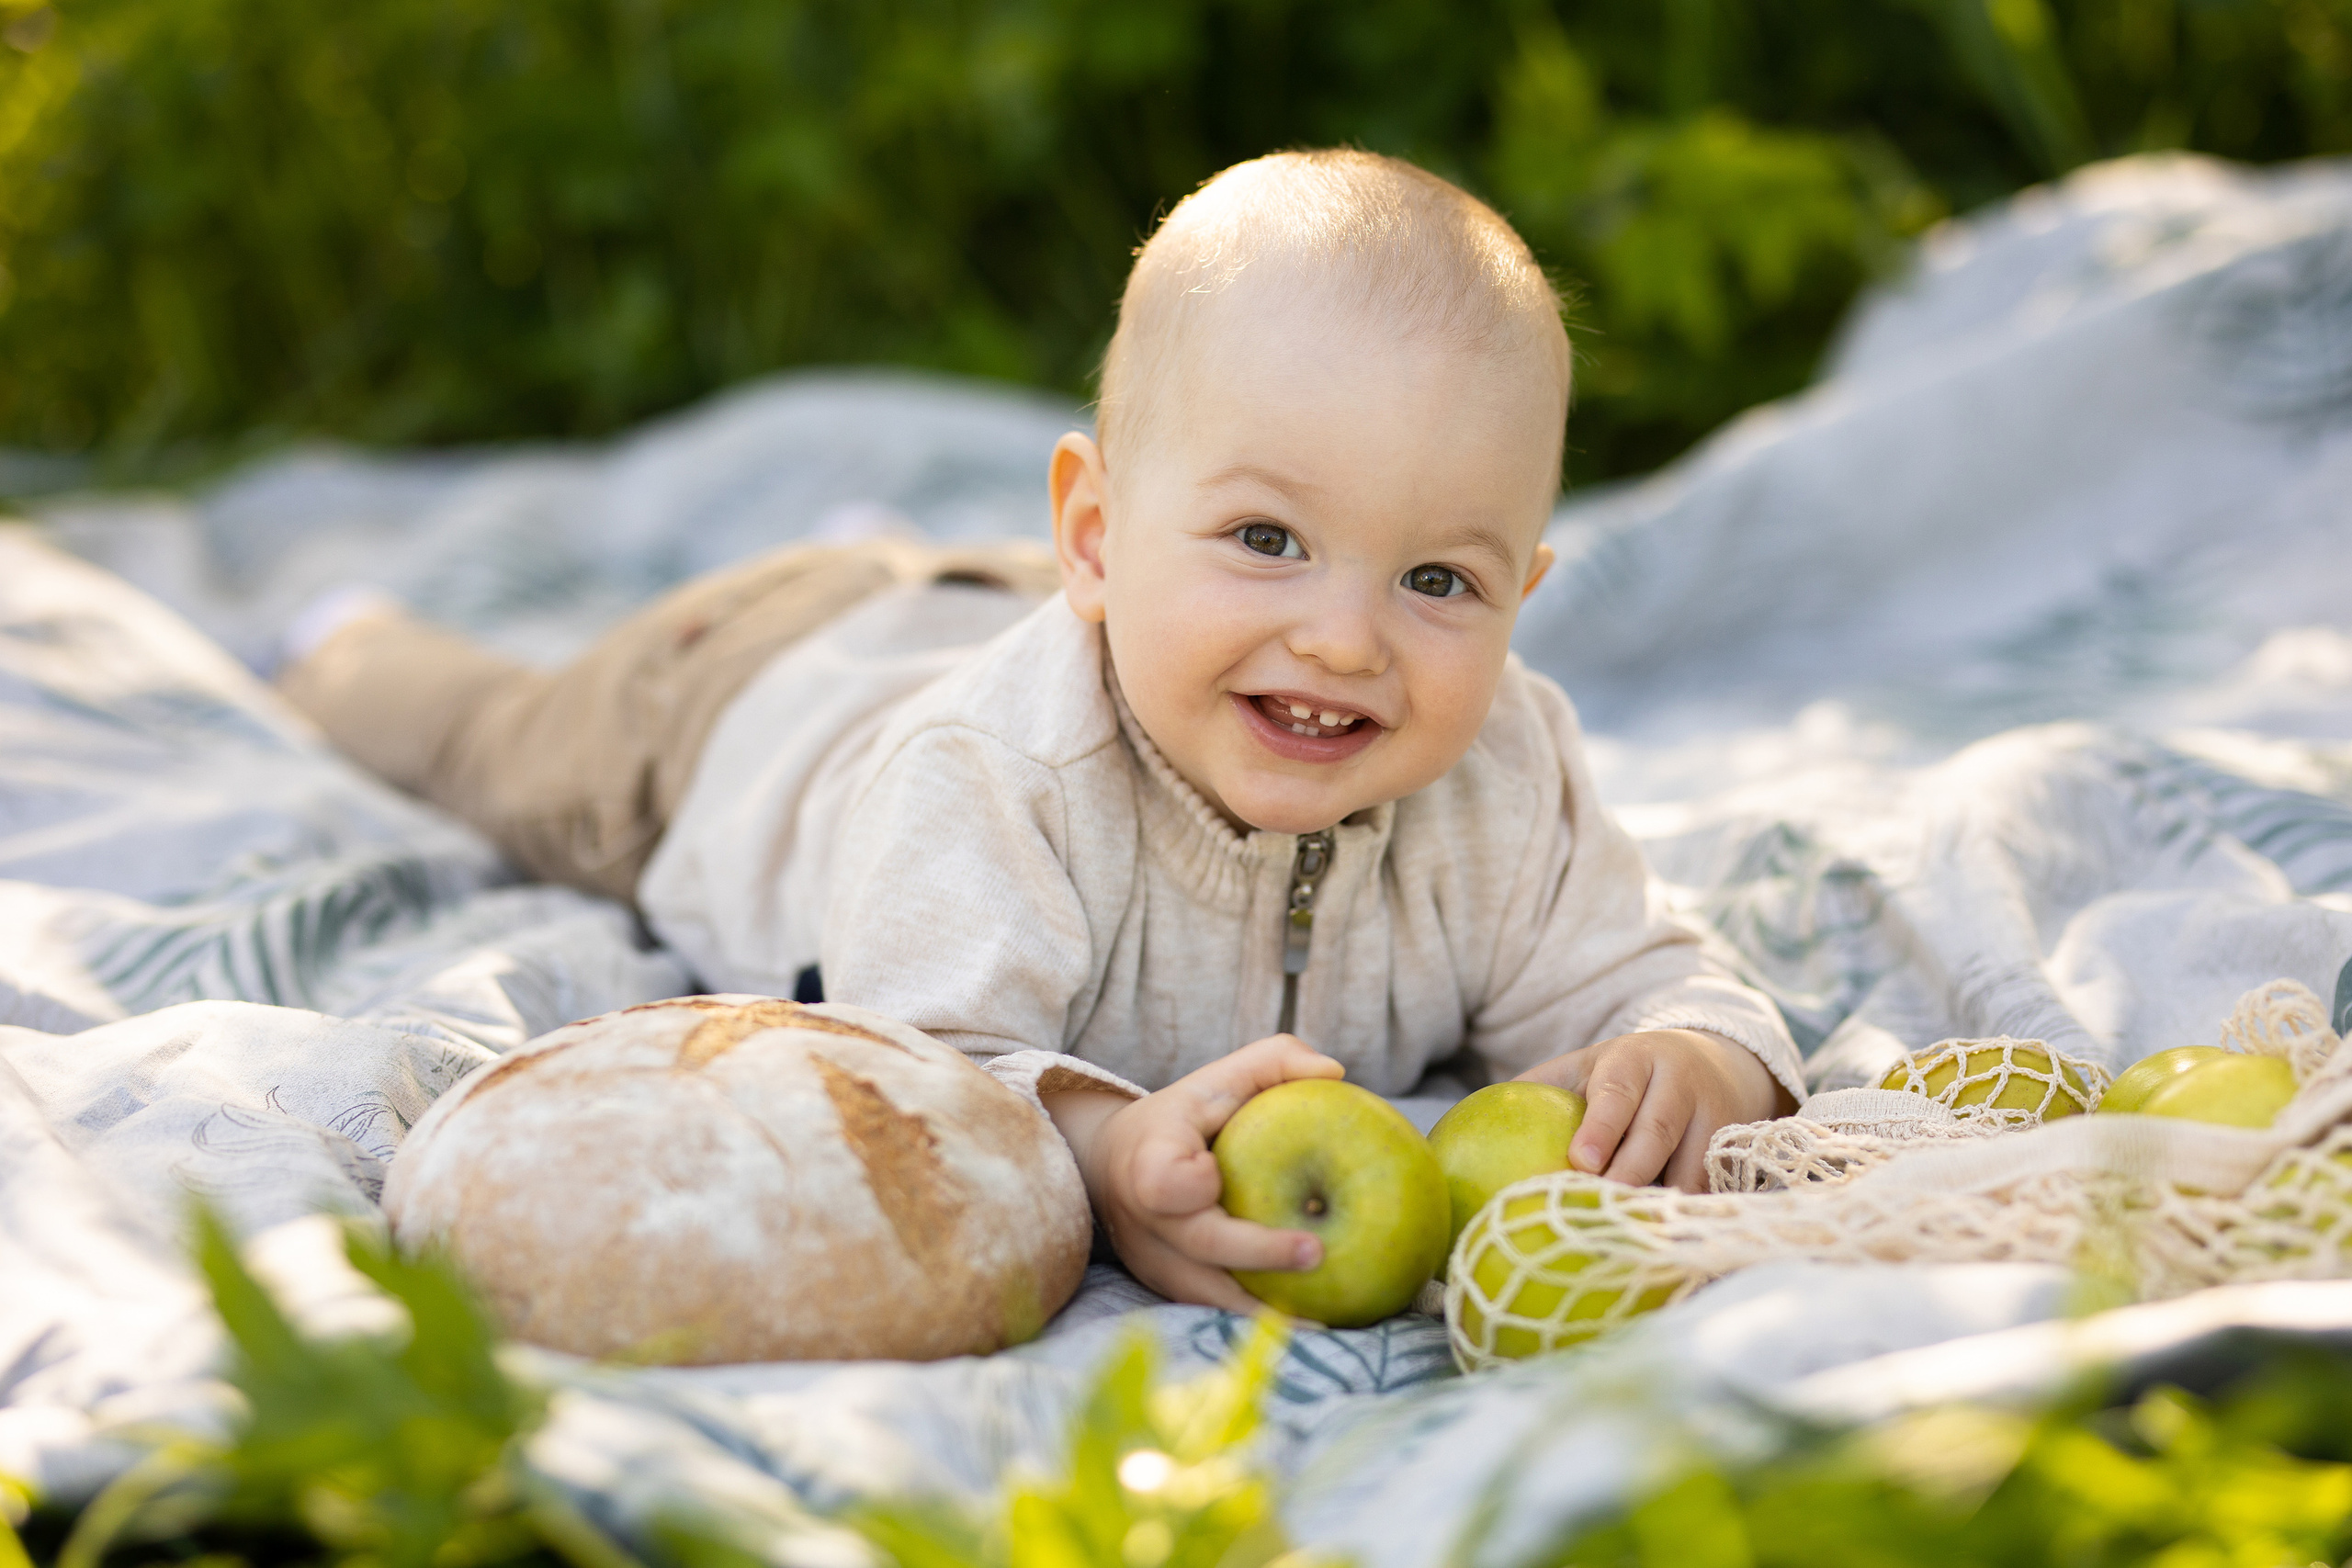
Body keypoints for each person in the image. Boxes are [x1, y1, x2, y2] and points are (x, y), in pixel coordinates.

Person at [280, 150, 1801, 1314]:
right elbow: (925, 1068)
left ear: (1524, 594)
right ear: (1095, 530)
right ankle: (351, 642)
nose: (1348, 637)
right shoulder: (993, 784)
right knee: (488, 744)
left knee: (1086, 619)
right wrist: (1095, 1156)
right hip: (726, 709)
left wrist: (1696, 1064)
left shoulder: (1502, 771)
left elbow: (1659, 972)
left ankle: (948, 560)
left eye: (1436, 580)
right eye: (1268, 537)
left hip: (1033, 619)